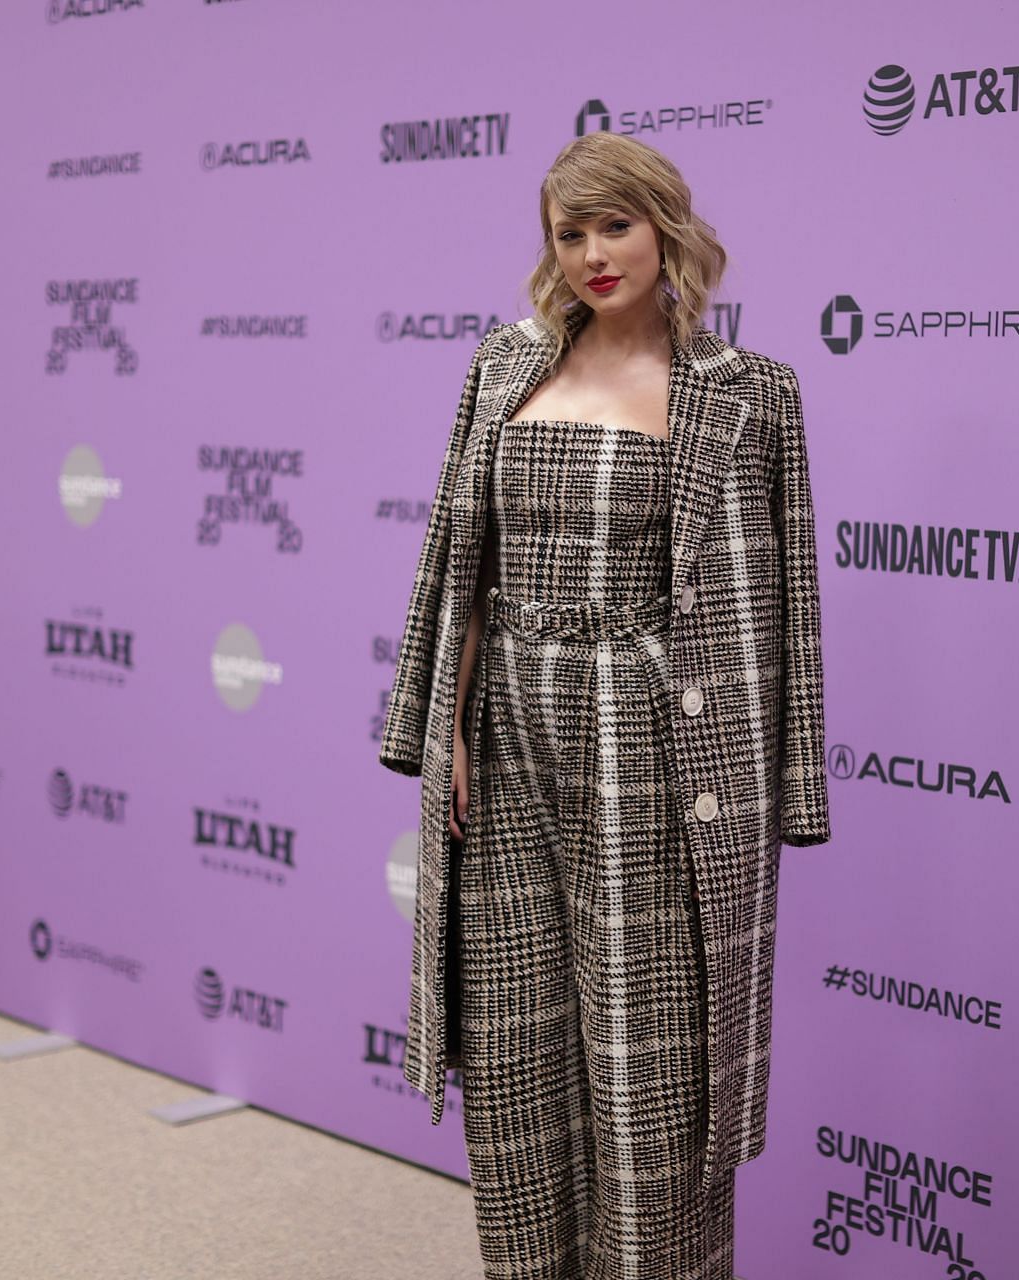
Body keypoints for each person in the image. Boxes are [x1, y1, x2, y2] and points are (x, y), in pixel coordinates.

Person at [379, 132, 830, 1280]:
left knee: (647, 1063)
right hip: (507, 722)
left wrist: (791, 782)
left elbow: (788, 606)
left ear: (666, 228)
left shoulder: (747, 392)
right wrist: (446, 730)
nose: (592, 254)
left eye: (614, 226)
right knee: (520, 1040)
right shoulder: (502, 366)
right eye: (569, 233)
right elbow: (460, 561)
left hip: (653, 736)